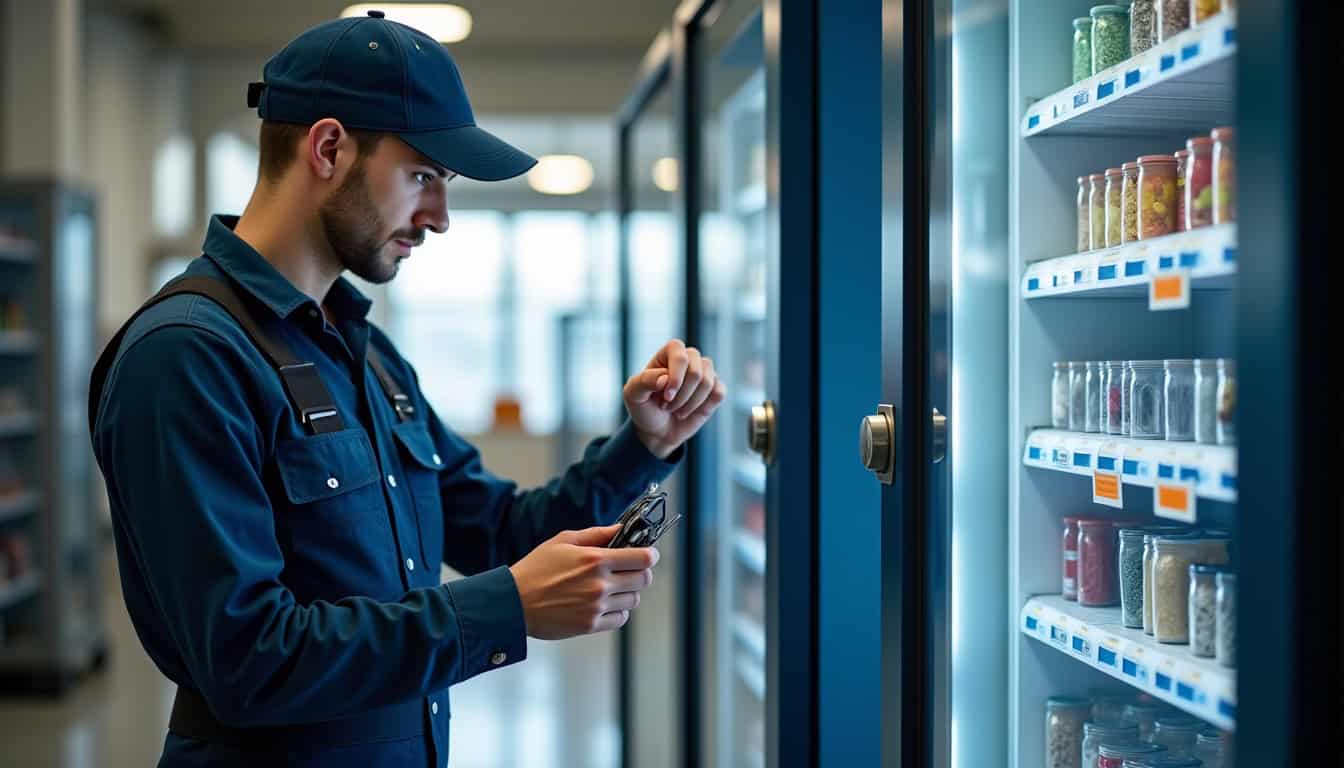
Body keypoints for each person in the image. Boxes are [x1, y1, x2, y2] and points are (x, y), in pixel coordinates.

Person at [88, 11, 726, 767]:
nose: (441, 218)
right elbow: (249, 660)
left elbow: (501, 530)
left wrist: (645, 443)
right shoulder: (188, 357)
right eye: (424, 176)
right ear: (328, 148)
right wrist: (505, 609)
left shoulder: (368, 356)